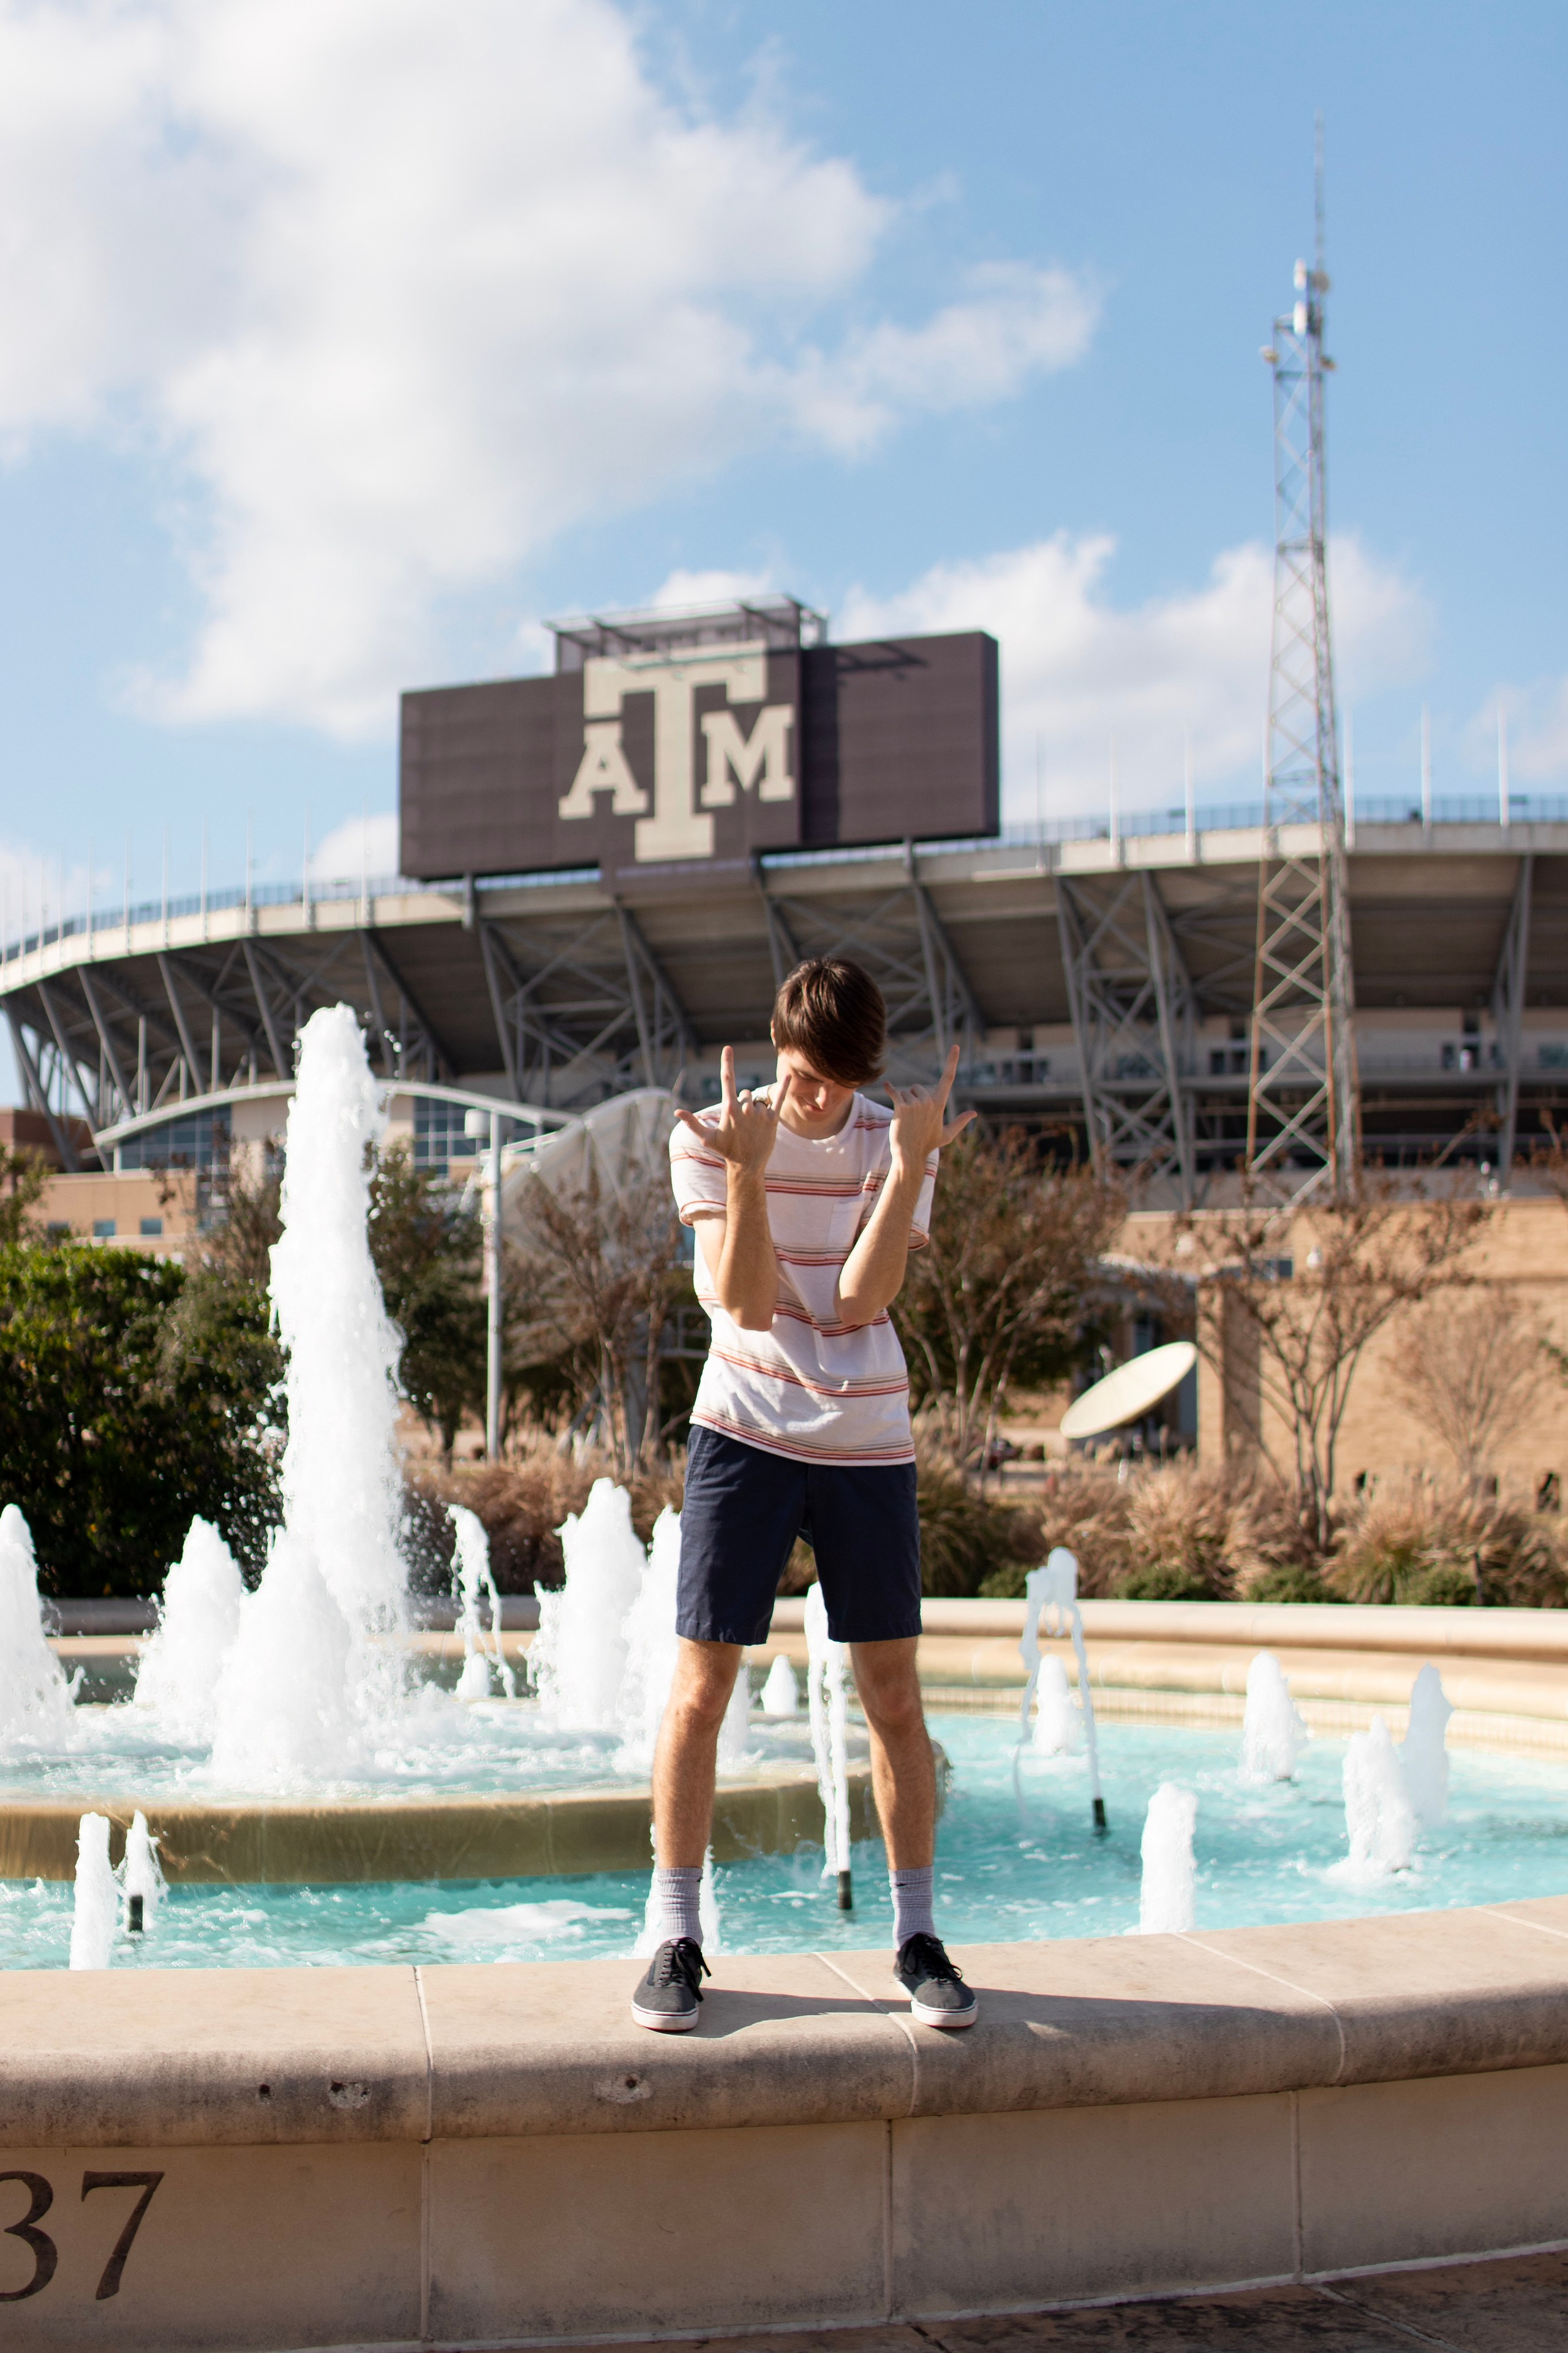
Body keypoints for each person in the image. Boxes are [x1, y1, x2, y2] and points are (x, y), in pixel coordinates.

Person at [631, 954, 979, 2033]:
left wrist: (911, 1163)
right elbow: (742, 1301)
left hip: (868, 1439)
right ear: (778, 1046)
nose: (812, 1097)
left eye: (834, 1081)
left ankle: (917, 1934)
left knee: (894, 1697)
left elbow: (865, 1296)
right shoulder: (709, 1133)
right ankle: (675, 1932)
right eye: (798, 1072)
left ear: (863, 1070)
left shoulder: (894, 1135)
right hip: (743, 1430)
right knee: (701, 1688)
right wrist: (750, 1170)